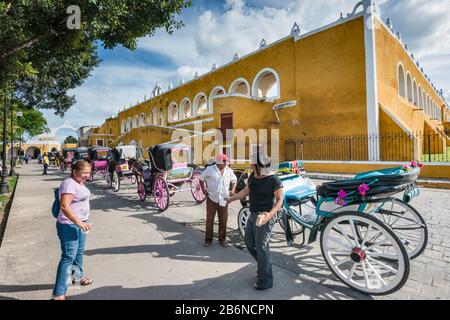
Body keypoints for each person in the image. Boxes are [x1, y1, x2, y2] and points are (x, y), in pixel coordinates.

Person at [227, 152, 283, 290]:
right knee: (248, 242)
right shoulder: (253, 176)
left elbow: (280, 200)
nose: (250, 165)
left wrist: (269, 215)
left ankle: (266, 280)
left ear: (258, 165)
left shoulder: (274, 180)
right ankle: (264, 266)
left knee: (261, 246)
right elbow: (246, 191)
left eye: (253, 163)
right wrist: (231, 199)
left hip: (264, 216)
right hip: (253, 214)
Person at [52, 160, 93, 300]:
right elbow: (64, 206)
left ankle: (76, 278)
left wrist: (82, 222)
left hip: (80, 224)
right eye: (84, 173)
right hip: (69, 225)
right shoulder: (69, 183)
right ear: (74, 172)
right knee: (68, 257)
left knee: (78, 253)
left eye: (89, 172)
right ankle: (58, 294)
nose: (87, 175)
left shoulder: (79, 182)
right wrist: (78, 222)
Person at [199, 153, 237, 248]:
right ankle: (208, 240)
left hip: (224, 199)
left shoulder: (229, 170)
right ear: (218, 162)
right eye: (223, 161)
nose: (225, 163)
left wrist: (232, 190)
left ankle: (222, 239)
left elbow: (234, 180)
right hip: (212, 198)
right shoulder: (210, 169)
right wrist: (203, 190)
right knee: (210, 220)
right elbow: (201, 179)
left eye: (225, 161)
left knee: (223, 220)